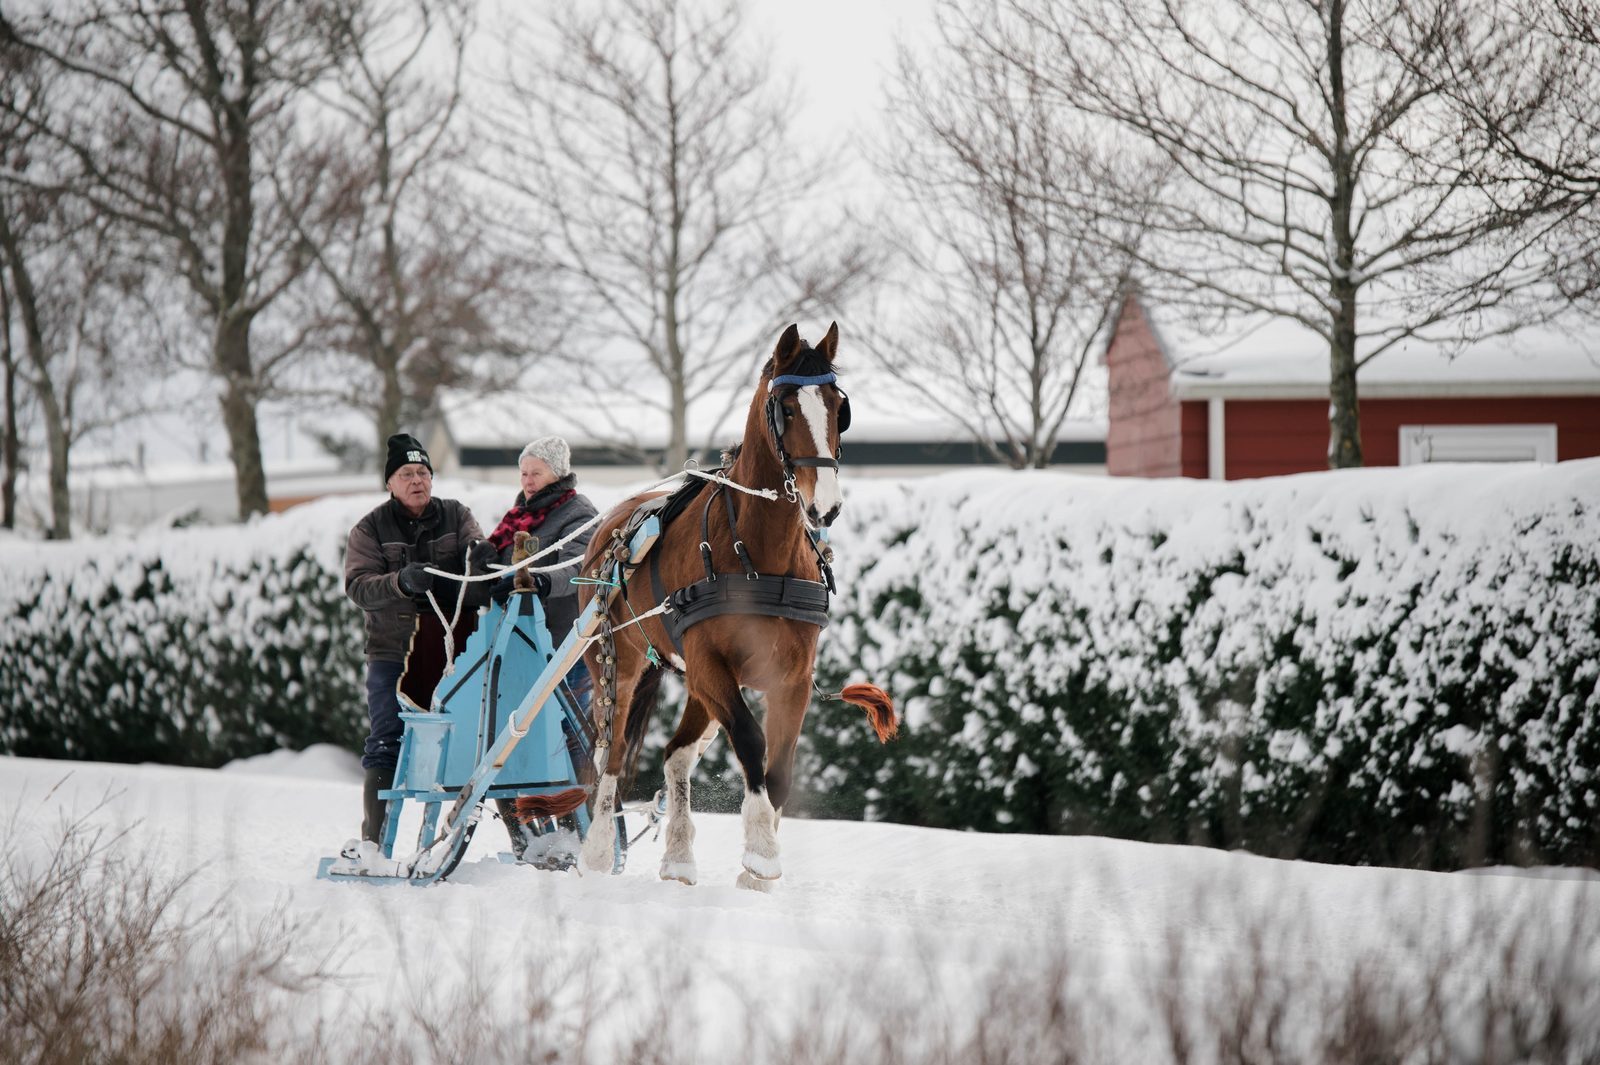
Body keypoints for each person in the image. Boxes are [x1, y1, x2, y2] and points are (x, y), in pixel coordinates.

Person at [343, 432, 496, 855]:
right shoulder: (370, 528)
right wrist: (399, 581)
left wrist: (483, 556)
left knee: (479, 739)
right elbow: (357, 587)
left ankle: (486, 837)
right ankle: (374, 842)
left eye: (424, 472)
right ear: (390, 482)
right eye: (407, 473)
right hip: (394, 651)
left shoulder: (456, 513)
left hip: (453, 653)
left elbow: (475, 547)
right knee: (386, 741)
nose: (418, 481)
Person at [485, 435, 601, 863]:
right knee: (511, 737)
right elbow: (507, 563)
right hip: (521, 645)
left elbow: (578, 564)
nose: (527, 480)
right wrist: (484, 562)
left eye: (535, 472)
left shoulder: (578, 512)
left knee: (564, 737)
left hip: (562, 642)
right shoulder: (520, 515)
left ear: (556, 473)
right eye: (523, 472)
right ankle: (529, 835)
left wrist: (539, 581)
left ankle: (579, 831)